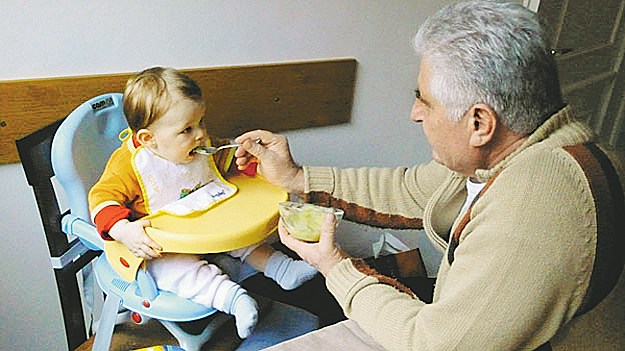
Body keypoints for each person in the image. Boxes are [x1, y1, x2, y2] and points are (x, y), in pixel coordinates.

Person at [234, 1, 625, 350]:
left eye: (424, 100)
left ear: (479, 122)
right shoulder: (525, 144)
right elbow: (413, 190)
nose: (415, 113)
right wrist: (297, 177)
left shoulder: (535, 211)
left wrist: (335, 266)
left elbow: (432, 343)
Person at [88, 67, 317, 339]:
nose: (200, 135)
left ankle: (282, 269)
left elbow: (224, 162)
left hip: (206, 225)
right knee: (176, 269)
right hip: (163, 244)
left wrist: (252, 163)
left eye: (201, 122)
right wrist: (124, 230)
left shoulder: (199, 149)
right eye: (187, 129)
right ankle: (232, 299)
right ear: (149, 139)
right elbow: (101, 199)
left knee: (238, 231)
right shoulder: (131, 166)